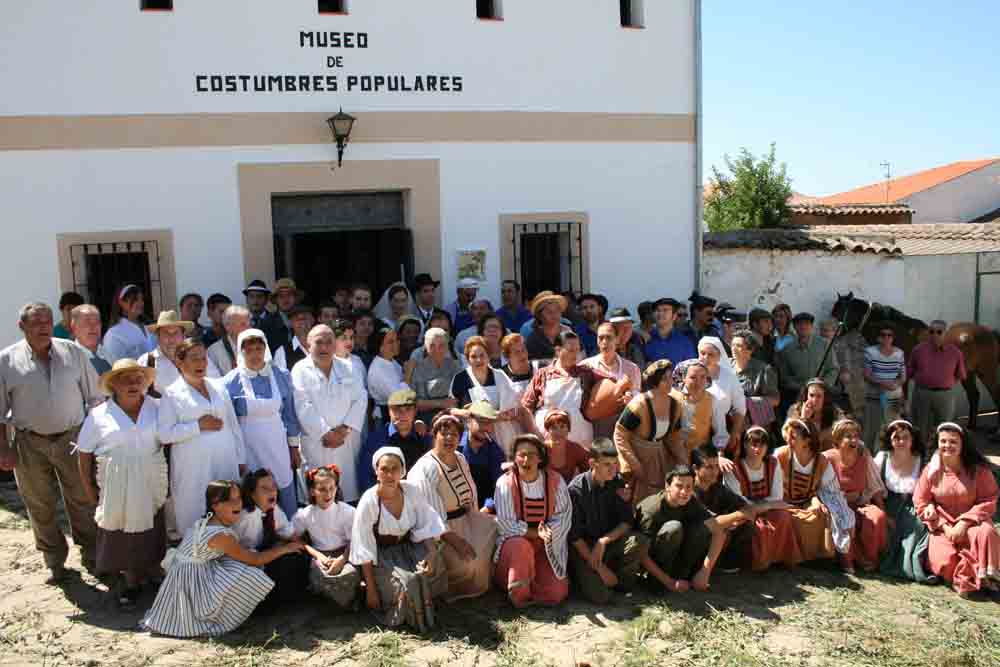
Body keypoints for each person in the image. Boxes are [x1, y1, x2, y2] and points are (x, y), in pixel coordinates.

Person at [0, 303, 101, 580]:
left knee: (82, 497)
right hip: (29, 443)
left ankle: (92, 553)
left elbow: (96, 398)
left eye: (47, 321)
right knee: (39, 503)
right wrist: (4, 449)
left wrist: (97, 437)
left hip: (73, 438)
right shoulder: (6, 361)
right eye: (36, 322)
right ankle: (54, 561)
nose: (44, 327)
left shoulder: (73, 352)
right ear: (22, 327)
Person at [142, 480, 301, 637]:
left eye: (239, 499)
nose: (237, 504)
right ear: (215, 505)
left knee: (237, 564)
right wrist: (285, 549)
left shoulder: (206, 522)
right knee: (250, 573)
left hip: (185, 578)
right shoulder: (221, 536)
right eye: (231, 500)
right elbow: (255, 559)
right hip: (190, 588)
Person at [76, 359, 166, 606]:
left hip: (151, 476)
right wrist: (89, 490)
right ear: (113, 384)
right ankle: (130, 579)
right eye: (126, 379)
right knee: (122, 529)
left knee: (153, 524)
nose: (133, 384)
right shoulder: (98, 415)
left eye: (138, 379)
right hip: (116, 482)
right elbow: (84, 455)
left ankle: (152, 569)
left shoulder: (158, 407)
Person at [350, 447, 449, 631]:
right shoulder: (369, 501)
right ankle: (407, 615)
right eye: (384, 469)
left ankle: (429, 607)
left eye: (394, 468)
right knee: (408, 582)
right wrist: (371, 590)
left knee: (433, 567)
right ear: (376, 472)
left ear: (402, 471)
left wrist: (431, 554)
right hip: (381, 556)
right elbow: (364, 547)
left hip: (408, 547)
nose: (389, 474)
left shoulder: (411, 491)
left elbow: (425, 524)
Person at [159, 337, 246, 536]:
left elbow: (233, 424)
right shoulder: (171, 393)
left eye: (203, 358)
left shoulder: (218, 386)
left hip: (225, 461)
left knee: (227, 509)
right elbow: (164, 434)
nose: (201, 363)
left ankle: (229, 558)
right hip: (194, 469)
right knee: (196, 513)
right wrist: (197, 426)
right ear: (179, 362)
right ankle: (196, 561)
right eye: (194, 358)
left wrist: (241, 458)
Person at [409, 413, 497, 601]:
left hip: (465, 519)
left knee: (499, 529)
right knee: (468, 564)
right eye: (444, 434)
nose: (449, 438)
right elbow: (429, 516)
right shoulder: (425, 468)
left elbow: (470, 491)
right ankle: (453, 591)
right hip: (439, 534)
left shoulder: (459, 457)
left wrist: (475, 516)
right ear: (435, 436)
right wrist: (457, 541)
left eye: (454, 435)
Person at [914, 422, 1000, 599]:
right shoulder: (931, 471)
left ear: (963, 444)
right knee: (945, 561)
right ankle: (969, 577)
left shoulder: (979, 470)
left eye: (953, 442)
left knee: (986, 533)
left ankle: (988, 580)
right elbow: (920, 501)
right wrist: (944, 526)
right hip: (942, 526)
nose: (947, 446)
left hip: (973, 522)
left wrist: (965, 522)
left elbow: (989, 499)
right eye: (943, 441)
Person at [223, 329, 302, 519]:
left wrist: (293, 447)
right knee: (253, 491)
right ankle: (258, 538)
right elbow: (230, 423)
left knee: (284, 485)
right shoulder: (230, 381)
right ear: (241, 352)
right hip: (248, 445)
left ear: (265, 349)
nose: (255, 354)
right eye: (248, 350)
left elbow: (290, 414)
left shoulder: (281, 375)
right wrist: (238, 457)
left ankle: (291, 533)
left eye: (259, 348)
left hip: (278, 443)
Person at [635, 465, 746, 593]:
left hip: (677, 558)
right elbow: (641, 553)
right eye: (679, 486)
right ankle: (658, 582)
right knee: (674, 528)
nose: (684, 492)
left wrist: (705, 573)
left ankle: (685, 576)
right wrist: (670, 583)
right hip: (653, 563)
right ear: (667, 486)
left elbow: (718, 529)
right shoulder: (652, 509)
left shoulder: (690, 501)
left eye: (688, 487)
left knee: (702, 528)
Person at [292, 323, 368, 504]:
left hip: (346, 441)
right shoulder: (300, 370)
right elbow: (302, 404)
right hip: (316, 442)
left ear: (335, 345)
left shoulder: (350, 368)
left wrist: (344, 430)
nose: (324, 347)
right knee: (316, 497)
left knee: (347, 497)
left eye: (329, 342)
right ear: (308, 345)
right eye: (319, 342)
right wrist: (325, 433)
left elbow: (361, 398)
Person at [567, 438, 650, 603]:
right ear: (593, 463)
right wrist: (599, 567)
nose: (613, 469)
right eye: (607, 464)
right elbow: (575, 537)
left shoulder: (617, 481)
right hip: (584, 549)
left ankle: (620, 584)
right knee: (601, 597)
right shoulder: (576, 490)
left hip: (606, 542)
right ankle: (587, 578)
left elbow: (626, 522)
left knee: (638, 541)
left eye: (615, 463)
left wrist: (603, 541)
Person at [493, 434, 572, 607]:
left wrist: (548, 532)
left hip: (545, 544)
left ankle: (532, 588)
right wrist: (533, 532)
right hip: (515, 548)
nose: (526, 459)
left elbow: (564, 515)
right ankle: (519, 594)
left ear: (540, 458)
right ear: (514, 458)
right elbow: (505, 523)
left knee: (557, 593)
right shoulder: (505, 483)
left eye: (532, 454)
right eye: (521, 455)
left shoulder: (555, 481)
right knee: (521, 547)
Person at [774, 418, 854, 563]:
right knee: (790, 519)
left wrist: (816, 501)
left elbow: (832, 492)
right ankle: (788, 558)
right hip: (781, 503)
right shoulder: (780, 456)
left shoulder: (821, 462)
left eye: (793, 437)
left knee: (820, 515)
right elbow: (772, 489)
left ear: (807, 441)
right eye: (788, 436)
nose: (788, 441)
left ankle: (813, 559)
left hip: (806, 503)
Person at [723, 426, 802, 571]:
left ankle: (779, 558)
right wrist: (765, 506)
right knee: (757, 525)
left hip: (767, 508)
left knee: (783, 516)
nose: (757, 449)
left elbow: (777, 496)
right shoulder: (733, 468)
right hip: (743, 511)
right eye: (753, 444)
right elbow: (738, 500)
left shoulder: (773, 463)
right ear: (745, 445)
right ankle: (758, 562)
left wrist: (764, 507)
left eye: (762, 444)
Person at [232, 469, 308, 604]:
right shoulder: (248, 517)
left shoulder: (272, 509)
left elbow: (289, 532)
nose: (272, 491)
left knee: (298, 555)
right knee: (283, 565)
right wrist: (282, 548)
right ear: (252, 494)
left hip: (262, 556)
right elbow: (251, 556)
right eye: (264, 488)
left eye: (273, 487)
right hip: (245, 564)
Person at [822, 418, 888, 573]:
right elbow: (821, 489)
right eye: (848, 436)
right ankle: (847, 560)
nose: (854, 440)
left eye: (856, 436)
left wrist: (882, 508)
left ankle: (869, 558)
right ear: (838, 439)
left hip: (859, 503)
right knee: (844, 519)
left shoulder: (863, 457)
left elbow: (873, 486)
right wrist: (843, 498)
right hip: (835, 505)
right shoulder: (827, 458)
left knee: (877, 516)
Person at [291, 465, 361, 609]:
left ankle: (345, 600)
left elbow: (355, 540)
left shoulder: (347, 512)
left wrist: (341, 560)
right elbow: (295, 538)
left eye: (331, 488)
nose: (328, 493)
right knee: (319, 575)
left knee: (351, 573)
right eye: (322, 489)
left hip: (345, 554)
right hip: (321, 557)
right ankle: (338, 601)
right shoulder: (305, 514)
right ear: (312, 491)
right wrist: (318, 556)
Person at [615, 359, 682, 504]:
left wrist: (683, 460)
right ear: (655, 381)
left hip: (659, 456)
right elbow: (620, 434)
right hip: (639, 455)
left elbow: (674, 437)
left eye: (671, 378)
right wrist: (634, 463)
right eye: (665, 379)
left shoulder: (675, 405)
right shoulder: (639, 404)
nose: (670, 382)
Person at [873, 420, 932, 582]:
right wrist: (884, 512)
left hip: (913, 506)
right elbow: (874, 488)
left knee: (917, 527)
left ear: (912, 439)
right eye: (896, 438)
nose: (901, 441)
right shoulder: (882, 458)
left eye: (905, 437)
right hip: (887, 504)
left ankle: (908, 567)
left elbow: (929, 491)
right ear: (889, 440)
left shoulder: (921, 460)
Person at [522, 332, 596, 446]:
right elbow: (526, 407)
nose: (575, 355)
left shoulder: (586, 373)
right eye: (571, 350)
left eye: (578, 350)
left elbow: (609, 380)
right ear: (558, 350)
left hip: (580, 440)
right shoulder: (542, 374)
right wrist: (536, 435)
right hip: (547, 440)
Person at [690, 445, 756, 572]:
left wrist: (740, 517)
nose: (715, 471)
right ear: (695, 469)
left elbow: (745, 506)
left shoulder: (717, 487)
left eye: (716, 466)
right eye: (709, 467)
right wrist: (737, 516)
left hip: (716, 534)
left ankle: (725, 564)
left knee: (747, 525)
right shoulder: (689, 490)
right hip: (694, 539)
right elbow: (711, 521)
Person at [359, 388, 431, 492]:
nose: (402, 415)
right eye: (397, 410)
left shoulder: (424, 437)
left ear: (415, 411)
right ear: (389, 411)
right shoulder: (375, 440)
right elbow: (366, 478)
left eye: (407, 409)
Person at [908, 321, 966, 443]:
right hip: (922, 393)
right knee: (920, 427)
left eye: (939, 332)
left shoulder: (955, 352)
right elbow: (910, 370)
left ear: (945, 333)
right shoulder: (918, 350)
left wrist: (945, 383)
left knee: (944, 428)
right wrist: (923, 379)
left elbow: (960, 375)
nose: (935, 334)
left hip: (945, 395)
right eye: (931, 331)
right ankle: (921, 456)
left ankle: (941, 456)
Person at [140, 310, 220, 398]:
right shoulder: (146, 361)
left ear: (183, 336)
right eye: (166, 333)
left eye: (175, 333)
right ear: (158, 336)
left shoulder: (199, 357)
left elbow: (216, 385)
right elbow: (140, 397)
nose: (171, 339)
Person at [582, 322, 641, 438]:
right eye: (601, 338)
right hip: (591, 430)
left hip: (621, 430)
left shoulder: (632, 369)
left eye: (609, 337)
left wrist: (630, 399)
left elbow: (638, 401)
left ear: (617, 340)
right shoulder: (585, 366)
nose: (604, 342)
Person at [775, 312, 839, 411]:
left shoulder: (825, 345)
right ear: (794, 327)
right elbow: (785, 377)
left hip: (822, 396)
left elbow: (833, 369)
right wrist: (802, 387)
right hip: (797, 397)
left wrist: (822, 386)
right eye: (799, 324)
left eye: (807, 324)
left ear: (812, 326)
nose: (803, 327)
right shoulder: (787, 350)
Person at [698, 337, 747, 457]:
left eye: (710, 355)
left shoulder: (729, 377)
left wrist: (734, 433)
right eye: (702, 353)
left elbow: (740, 408)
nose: (705, 358)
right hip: (695, 430)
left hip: (722, 431)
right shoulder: (691, 373)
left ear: (719, 357)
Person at [862, 325, 906, 453]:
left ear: (893, 338)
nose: (886, 337)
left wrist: (895, 384)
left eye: (889, 335)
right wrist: (883, 383)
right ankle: (869, 455)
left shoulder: (899, 353)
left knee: (892, 427)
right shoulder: (870, 352)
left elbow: (903, 376)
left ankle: (890, 454)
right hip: (874, 395)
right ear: (878, 338)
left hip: (893, 397)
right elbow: (867, 374)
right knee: (872, 427)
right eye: (883, 335)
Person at [669, 359, 728, 455]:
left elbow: (720, 431)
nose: (698, 382)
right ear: (683, 377)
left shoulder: (712, 400)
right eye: (693, 377)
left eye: (703, 377)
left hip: (701, 455)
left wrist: (720, 453)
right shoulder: (671, 396)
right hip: (673, 453)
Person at [457, 401, 506, 510]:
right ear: (469, 422)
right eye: (481, 421)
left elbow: (499, 488)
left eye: (489, 422)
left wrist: (488, 507)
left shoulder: (495, 452)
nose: (486, 427)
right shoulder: (455, 445)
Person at [494, 333, 535, 456]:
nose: (522, 355)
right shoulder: (500, 375)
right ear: (507, 356)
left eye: (523, 350)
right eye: (516, 352)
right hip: (512, 428)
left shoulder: (539, 369)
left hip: (537, 423)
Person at [411, 327, 463, 425]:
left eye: (441, 345)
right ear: (425, 347)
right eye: (432, 345)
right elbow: (416, 402)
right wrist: (441, 403)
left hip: (453, 413)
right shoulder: (419, 369)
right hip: (427, 417)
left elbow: (461, 395)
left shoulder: (455, 365)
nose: (437, 350)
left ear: (447, 346)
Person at [730, 329, 779, 430]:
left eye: (738, 346)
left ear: (750, 350)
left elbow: (775, 400)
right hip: (729, 421)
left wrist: (748, 401)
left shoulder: (764, 370)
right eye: (732, 345)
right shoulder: (726, 366)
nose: (733, 349)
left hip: (753, 425)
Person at [367, 327, 409, 430]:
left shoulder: (392, 362)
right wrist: (409, 372)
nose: (397, 344)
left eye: (397, 340)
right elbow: (400, 397)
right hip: (385, 417)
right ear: (380, 346)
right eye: (391, 342)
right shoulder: (378, 368)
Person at [787, 379, 844, 451]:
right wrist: (803, 419)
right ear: (806, 395)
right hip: (803, 452)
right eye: (811, 395)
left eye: (819, 396)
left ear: (825, 398)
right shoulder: (795, 410)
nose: (814, 400)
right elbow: (788, 436)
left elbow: (845, 429)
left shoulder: (835, 412)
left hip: (827, 455)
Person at [103, 283, 154, 363]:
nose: (140, 303)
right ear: (121, 302)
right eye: (135, 300)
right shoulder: (114, 335)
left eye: (141, 299)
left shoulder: (148, 327)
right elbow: (115, 364)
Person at [644, 297, 696, 367]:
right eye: (657, 310)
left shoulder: (684, 342)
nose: (660, 313)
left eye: (665, 310)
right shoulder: (644, 339)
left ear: (674, 316)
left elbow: (690, 368)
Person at [542, 410, 591, 483]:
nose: (558, 431)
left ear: (568, 428)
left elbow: (589, 469)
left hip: (567, 492)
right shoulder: (540, 449)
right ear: (547, 430)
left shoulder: (575, 449)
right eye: (554, 428)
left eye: (562, 426)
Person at [451, 336, 499, 409]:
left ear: (488, 356)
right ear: (467, 359)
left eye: (482, 355)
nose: (478, 360)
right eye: (473, 357)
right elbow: (452, 407)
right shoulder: (459, 379)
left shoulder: (499, 376)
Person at [525, 291, 573, 363]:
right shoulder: (533, 338)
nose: (554, 314)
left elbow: (580, 357)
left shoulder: (570, 332)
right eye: (548, 311)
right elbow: (531, 363)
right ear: (539, 316)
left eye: (557, 310)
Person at [207, 305, 251, 376]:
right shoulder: (214, 351)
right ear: (228, 327)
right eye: (243, 324)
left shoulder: (256, 346)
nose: (248, 328)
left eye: (249, 324)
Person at [70, 304, 112, 375]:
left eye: (97, 322)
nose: (93, 327)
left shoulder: (109, 353)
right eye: (87, 322)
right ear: (74, 328)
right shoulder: (70, 360)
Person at [273, 304, 315, 372]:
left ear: (312, 320)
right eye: (297, 319)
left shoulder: (323, 346)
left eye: (305, 318)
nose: (301, 322)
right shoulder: (282, 352)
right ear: (291, 323)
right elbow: (280, 380)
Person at [267, 278, 304, 351]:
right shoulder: (267, 323)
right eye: (281, 296)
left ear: (295, 298)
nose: (285, 299)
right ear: (276, 300)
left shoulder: (304, 320)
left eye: (289, 295)